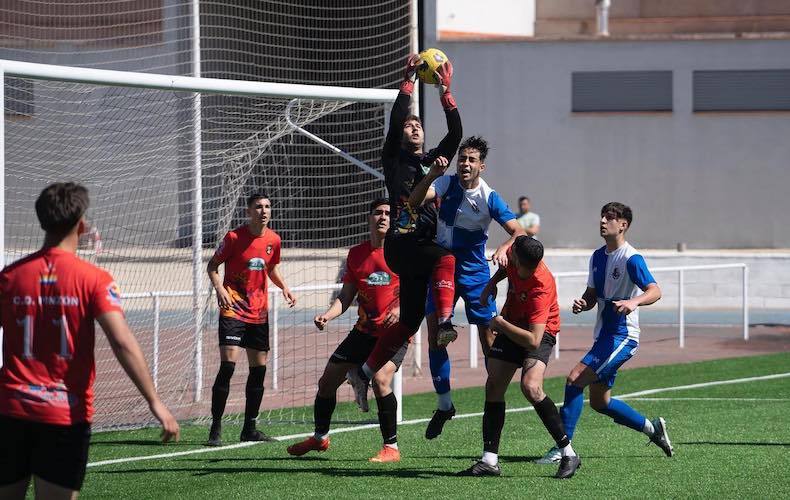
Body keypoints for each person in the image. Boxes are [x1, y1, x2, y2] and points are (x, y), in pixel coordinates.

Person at [0, 182, 179, 499]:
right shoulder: (93, 279)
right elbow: (122, 342)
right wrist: (155, 402)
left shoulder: (10, 277)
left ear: (41, 221)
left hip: (9, 413)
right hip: (64, 416)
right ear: (81, 225)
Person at [347, 54, 462, 403]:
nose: (413, 128)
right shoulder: (395, 157)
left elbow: (455, 133)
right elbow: (397, 120)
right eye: (410, 126)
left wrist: (446, 93)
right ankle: (444, 321)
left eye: (418, 126)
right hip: (401, 241)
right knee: (446, 259)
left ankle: (363, 373)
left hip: (418, 246)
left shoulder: (433, 160)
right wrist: (407, 82)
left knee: (409, 322)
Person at [535, 202, 672, 475]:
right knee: (601, 402)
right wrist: (583, 303)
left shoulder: (631, 258)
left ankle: (563, 448)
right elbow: (591, 293)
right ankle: (652, 428)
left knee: (574, 379)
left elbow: (655, 290)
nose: (603, 221)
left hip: (623, 336)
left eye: (610, 217)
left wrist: (634, 302)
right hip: (603, 336)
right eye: (602, 216)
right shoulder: (597, 257)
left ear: (623, 225)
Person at [407, 136, 525, 438]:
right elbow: (414, 201)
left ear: (481, 166)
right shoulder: (446, 184)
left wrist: (505, 246)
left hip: (474, 274)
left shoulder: (489, 197)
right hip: (443, 266)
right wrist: (431, 174)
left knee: (489, 336)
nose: (465, 164)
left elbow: (519, 232)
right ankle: (444, 405)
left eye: (472, 160)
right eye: (463, 159)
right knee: (435, 334)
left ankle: (495, 397)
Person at [287, 200, 409, 463]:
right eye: (378, 213)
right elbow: (346, 296)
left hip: (394, 334)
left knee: (381, 380)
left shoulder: (404, 252)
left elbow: (418, 291)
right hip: (363, 331)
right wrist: (327, 315)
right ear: (369, 218)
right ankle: (320, 438)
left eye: (388, 213)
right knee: (327, 381)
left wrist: (401, 310)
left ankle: (392, 448)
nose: (383, 217)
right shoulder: (355, 255)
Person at [457, 236, 577, 477]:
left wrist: (500, 324)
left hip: (539, 331)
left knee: (531, 387)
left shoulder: (541, 286)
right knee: (494, 385)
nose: (512, 262)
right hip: (512, 322)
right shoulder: (516, 254)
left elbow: (533, 339)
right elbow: (505, 268)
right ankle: (489, 461)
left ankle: (569, 454)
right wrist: (492, 284)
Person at [206, 193, 296, 446]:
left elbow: (271, 268)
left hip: (258, 313)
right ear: (248, 212)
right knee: (228, 366)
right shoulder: (234, 238)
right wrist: (220, 289)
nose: (263, 211)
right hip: (233, 309)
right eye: (258, 207)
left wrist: (285, 287)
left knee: (258, 371)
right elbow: (212, 266)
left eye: (267, 207)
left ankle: (250, 428)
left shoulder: (274, 240)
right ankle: (215, 427)